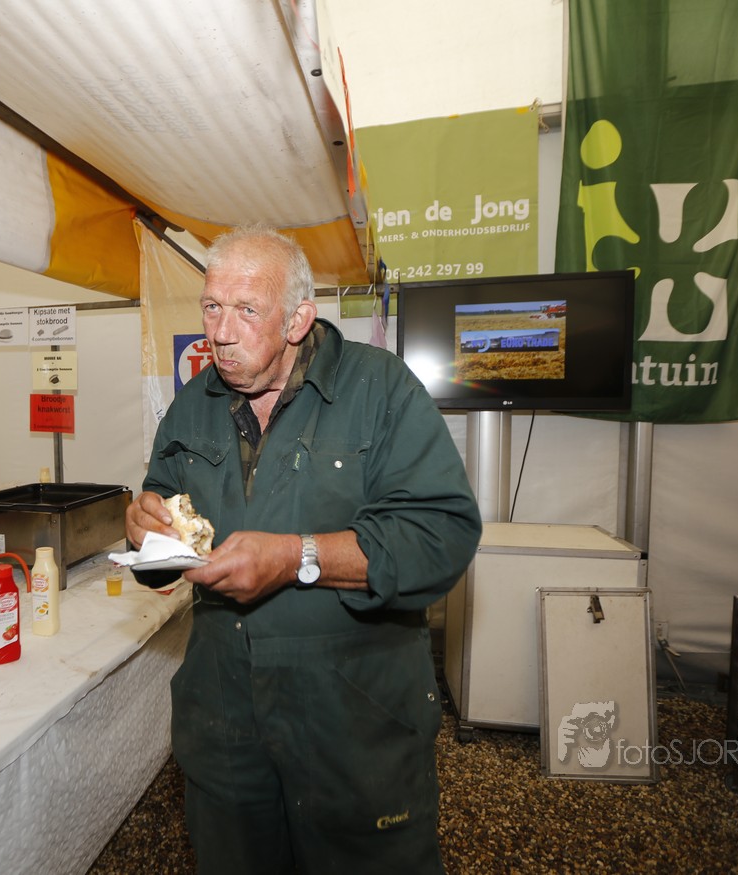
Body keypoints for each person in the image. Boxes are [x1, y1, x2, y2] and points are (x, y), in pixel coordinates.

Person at [125, 225, 482, 874]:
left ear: (297, 320)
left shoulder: (379, 391)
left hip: (351, 728)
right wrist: (144, 531)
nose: (220, 332)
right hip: (226, 729)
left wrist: (297, 558)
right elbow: (160, 543)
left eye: (246, 310)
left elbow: (440, 535)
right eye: (211, 306)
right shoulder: (191, 407)